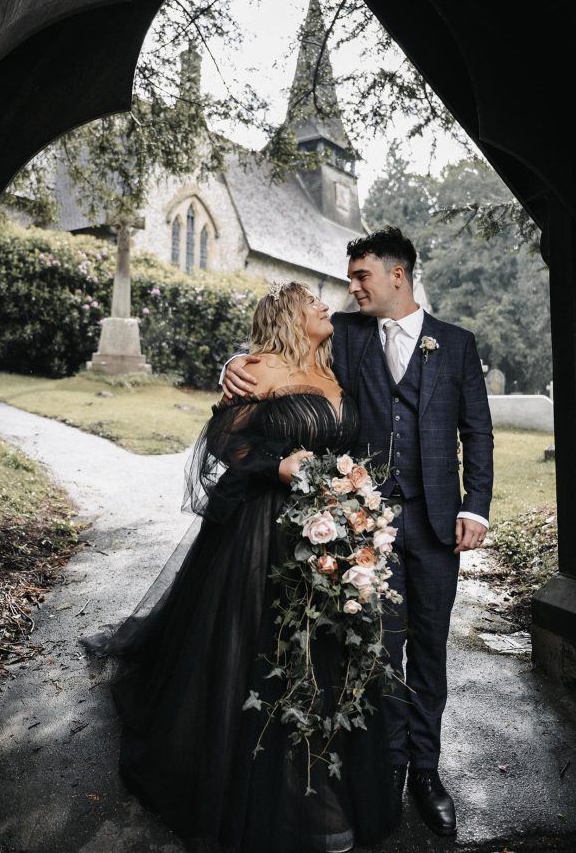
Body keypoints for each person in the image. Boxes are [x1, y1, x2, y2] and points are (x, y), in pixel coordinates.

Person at [81, 281, 397, 853]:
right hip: (263, 533)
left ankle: (319, 774)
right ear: (287, 315)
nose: (328, 305)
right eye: (314, 302)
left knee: (325, 649)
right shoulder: (259, 368)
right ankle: (273, 785)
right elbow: (222, 440)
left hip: (331, 532)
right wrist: (278, 465)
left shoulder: (335, 361)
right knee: (262, 650)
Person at [223, 227, 494, 839]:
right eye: (349, 280)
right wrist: (235, 364)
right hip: (365, 528)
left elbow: (477, 431)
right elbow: (279, 348)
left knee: (429, 650)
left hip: (435, 528)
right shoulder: (345, 334)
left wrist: (475, 506)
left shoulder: (455, 344)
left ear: (397, 275)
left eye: (361, 277)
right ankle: (387, 772)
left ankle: (426, 770)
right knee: (376, 656)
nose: (351, 289)